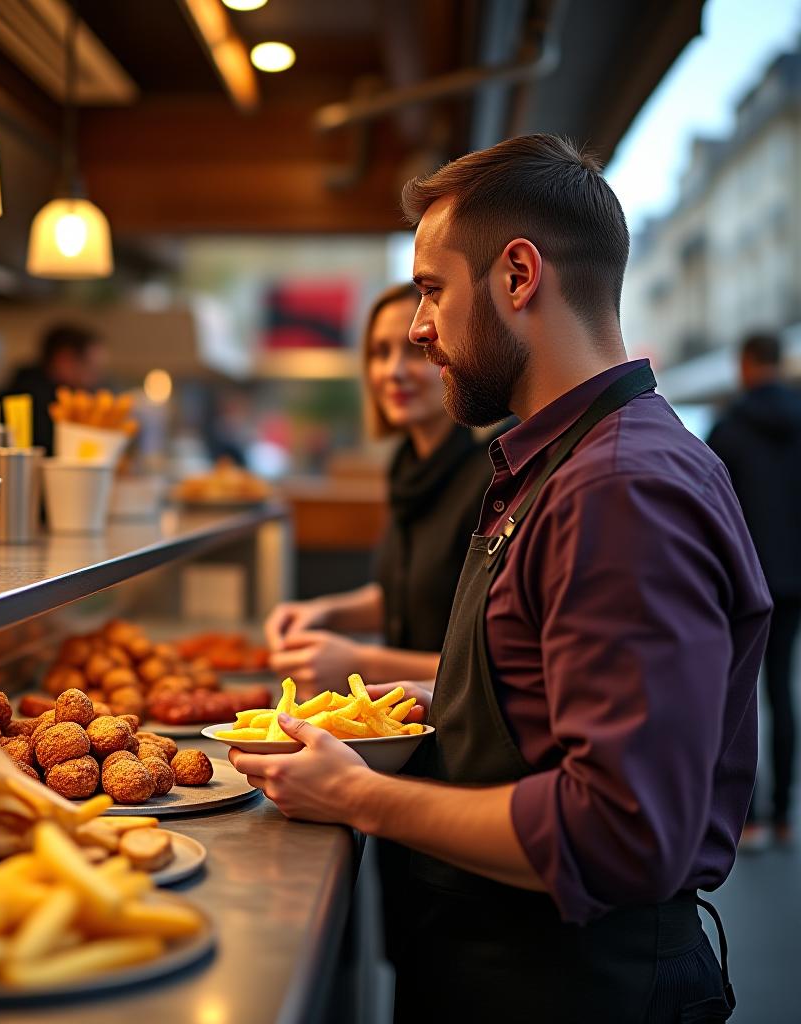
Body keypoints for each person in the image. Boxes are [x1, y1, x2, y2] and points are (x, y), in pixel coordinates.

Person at [229, 134, 771, 1024]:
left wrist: (360, 794)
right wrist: (419, 695)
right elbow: (543, 691)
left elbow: (623, 831)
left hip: (573, 987)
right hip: (501, 964)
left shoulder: (619, 488)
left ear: (518, 276)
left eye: (432, 291)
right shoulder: (562, 461)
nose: (415, 328)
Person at [264, 284, 495, 695]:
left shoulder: (492, 476)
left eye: (413, 351)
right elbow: (411, 595)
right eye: (379, 353)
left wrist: (360, 663)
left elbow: (491, 667)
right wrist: (324, 612)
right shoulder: (408, 465)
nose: (393, 371)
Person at [708, 333, 801, 849]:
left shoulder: (732, 426)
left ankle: (748, 814)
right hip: (794, 578)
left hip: (745, 579)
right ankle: (785, 811)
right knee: (782, 691)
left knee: (739, 695)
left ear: (746, 364)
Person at [0, 323, 107, 450]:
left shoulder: (65, 399)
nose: (96, 379)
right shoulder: (35, 403)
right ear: (64, 360)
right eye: (91, 369)